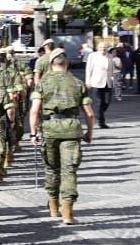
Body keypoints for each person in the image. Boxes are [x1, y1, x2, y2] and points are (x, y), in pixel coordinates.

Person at [30, 48, 94, 224]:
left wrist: (33, 133)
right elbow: (89, 113)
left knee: (51, 169)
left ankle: (53, 205)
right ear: (67, 64)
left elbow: (34, 111)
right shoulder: (77, 83)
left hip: (49, 129)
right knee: (69, 170)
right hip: (72, 130)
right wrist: (90, 132)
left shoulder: (42, 83)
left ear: (51, 64)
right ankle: (68, 212)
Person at [85, 39, 116, 128]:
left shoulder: (110, 56)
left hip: (108, 82)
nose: (103, 49)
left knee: (107, 101)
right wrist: (88, 81)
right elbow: (88, 69)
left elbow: (111, 69)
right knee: (99, 102)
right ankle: (101, 121)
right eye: (101, 47)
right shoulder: (92, 56)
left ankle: (98, 113)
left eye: (105, 47)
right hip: (96, 82)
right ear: (98, 48)